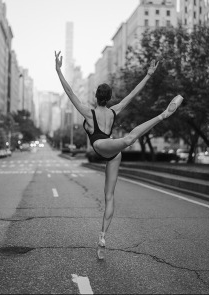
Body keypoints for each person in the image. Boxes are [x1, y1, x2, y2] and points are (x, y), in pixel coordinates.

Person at [55, 51, 183, 260]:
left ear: (96, 97)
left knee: (110, 195)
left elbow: (70, 93)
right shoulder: (114, 110)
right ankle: (161, 116)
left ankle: (103, 237)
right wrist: (148, 75)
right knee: (127, 141)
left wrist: (59, 70)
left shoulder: (89, 112)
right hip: (110, 148)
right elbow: (132, 95)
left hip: (104, 148)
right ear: (110, 98)